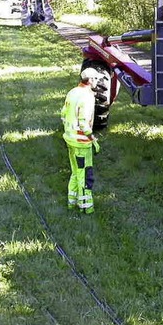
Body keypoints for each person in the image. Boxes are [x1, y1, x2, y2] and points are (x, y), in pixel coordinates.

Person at [61, 67, 101, 214]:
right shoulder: (87, 96)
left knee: (75, 172)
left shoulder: (73, 92)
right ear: (90, 80)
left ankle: (71, 202)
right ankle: (86, 207)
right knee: (85, 175)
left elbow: (64, 114)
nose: (97, 82)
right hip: (81, 143)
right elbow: (83, 122)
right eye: (96, 79)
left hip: (70, 139)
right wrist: (92, 138)